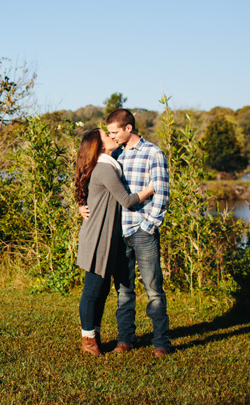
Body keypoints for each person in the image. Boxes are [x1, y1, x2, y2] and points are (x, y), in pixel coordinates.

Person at [74, 127, 154, 356]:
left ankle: (94, 337)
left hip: (103, 234)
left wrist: (81, 204)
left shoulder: (108, 163)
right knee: (93, 290)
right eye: (106, 136)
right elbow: (127, 201)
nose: (111, 137)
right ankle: (88, 342)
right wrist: (150, 189)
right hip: (98, 236)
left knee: (100, 289)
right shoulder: (105, 168)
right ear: (98, 146)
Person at [106, 108, 172, 357]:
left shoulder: (153, 153)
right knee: (123, 290)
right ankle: (125, 340)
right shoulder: (116, 155)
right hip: (119, 233)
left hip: (143, 231)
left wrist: (149, 225)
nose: (112, 137)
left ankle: (161, 343)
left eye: (115, 132)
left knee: (154, 290)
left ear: (128, 129)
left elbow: (162, 194)